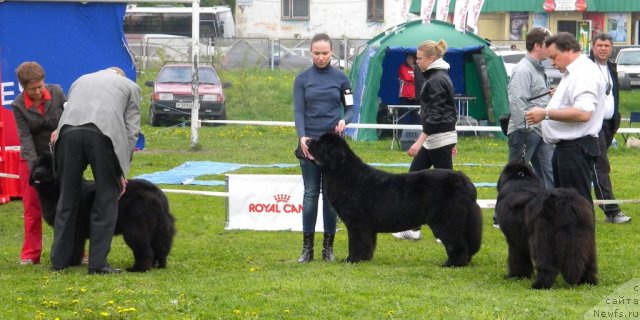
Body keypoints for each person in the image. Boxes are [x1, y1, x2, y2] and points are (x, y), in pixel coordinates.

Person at [50, 67, 140, 274]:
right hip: (103, 134)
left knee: (67, 197)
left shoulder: (80, 80)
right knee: (106, 198)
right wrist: (121, 170)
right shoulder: (130, 86)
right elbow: (131, 131)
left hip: (68, 133)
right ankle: (98, 264)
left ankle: (59, 260)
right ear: (120, 76)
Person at [525, 32, 606, 209]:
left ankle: (580, 237)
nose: (552, 63)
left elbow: (584, 113)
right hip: (568, 149)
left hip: (576, 149)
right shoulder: (574, 72)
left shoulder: (584, 73)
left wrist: (545, 113)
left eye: (554, 57)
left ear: (569, 50)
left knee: (576, 206)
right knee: (566, 206)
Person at [293, 33, 354, 263]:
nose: (321, 57)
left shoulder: (341, 78)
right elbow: (298, 111)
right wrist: (302, 137)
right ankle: (306, 249)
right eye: (317, 53)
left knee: (330, 196)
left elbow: (350, 109)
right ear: (311, 52)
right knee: (310, 194)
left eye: (325, 53)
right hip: (309, 145)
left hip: (333, 147)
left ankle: (328, 249)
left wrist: (344, 121)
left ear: (332, 53)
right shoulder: (301, 79)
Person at [392, 39, 457, 241]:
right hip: (438, 139)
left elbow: (437, 115)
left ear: (430, 58)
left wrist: (419, 141)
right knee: (414, 181)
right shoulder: (438, 76)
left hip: (437, 140)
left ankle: (448, 230)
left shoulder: (436, 80)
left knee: (445, 188)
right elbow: (448, 111)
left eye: (419, 59)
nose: (416, 62)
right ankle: (413, 227)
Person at [493, 29, 556, 228]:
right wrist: (525, 129)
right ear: (538, 46)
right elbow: (517, 102)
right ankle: (500, 215)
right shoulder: (523, 69)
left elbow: (531, 97)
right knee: (515, 175)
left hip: (540, 130)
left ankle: (549, 209)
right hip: (525, 131)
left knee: (548, 170)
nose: (552, 48)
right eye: (548, 44)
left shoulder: (538, 68)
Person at [11, 62, 66, 265]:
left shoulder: (57, 92)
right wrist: (36, 169)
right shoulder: (18, 105)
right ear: (23, 87)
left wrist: (61, 129)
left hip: (60, 158)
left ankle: (75, 249)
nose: (38, 91)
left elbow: (71, 115)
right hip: (32, 160)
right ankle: (31, 254)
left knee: (68, 203)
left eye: (40, 86)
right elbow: (24, 138)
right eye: (32, 89)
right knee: (32, 208)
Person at [589, 32, 631, 223]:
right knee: (600, 166)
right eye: (600, 45)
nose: (603, 48)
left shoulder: (611, 67)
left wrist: (615, 121)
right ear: (593, 47)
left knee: (591, 168)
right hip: (591, 124)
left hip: (608, 124)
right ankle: (611, 210)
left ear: (611, 48)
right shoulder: (586, 67)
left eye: (607, 45)